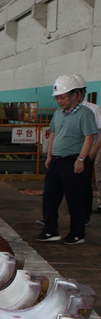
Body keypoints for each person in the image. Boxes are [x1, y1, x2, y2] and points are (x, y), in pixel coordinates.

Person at [35, 75, 96, 245]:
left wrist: (81, 159)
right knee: (50, 197)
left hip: (74, 161)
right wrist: (49, 156)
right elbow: (53, 134)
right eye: (57, 98)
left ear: (75, 95)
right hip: (57, 161)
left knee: (75, 199)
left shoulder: (85, 114)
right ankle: (50, 231)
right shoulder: (58, 114)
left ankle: (77, 234)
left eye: (62, 97)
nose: (59, 101)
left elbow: (89, 137)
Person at [73, 74, 101, 216]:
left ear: (81, 92)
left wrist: (93, 151)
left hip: (89, 151)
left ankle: (86, 213)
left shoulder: (93, 109)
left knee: (87, 182)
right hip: (73, 152)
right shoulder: (67, 111)